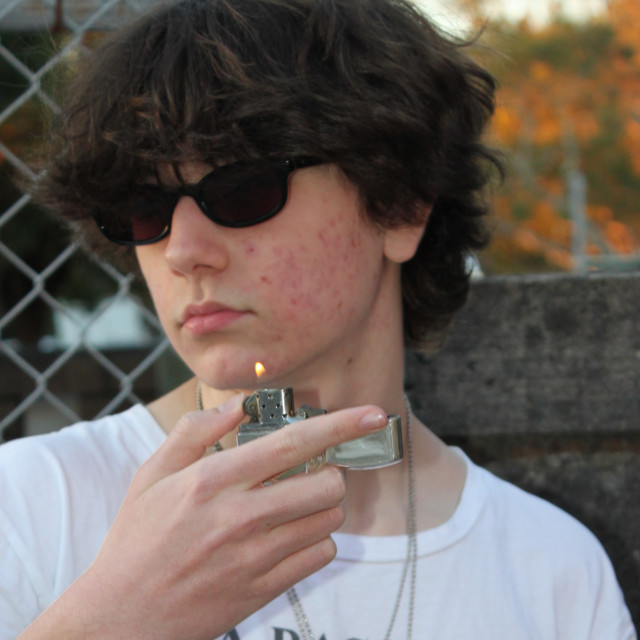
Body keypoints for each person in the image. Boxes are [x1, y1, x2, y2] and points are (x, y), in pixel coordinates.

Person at [0, 0, 635, 638]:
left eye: (241, 190)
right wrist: (115, 619)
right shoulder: (36, 505)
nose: (182, 251)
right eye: (144, 208)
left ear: (400, 206)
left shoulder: (549, 571)